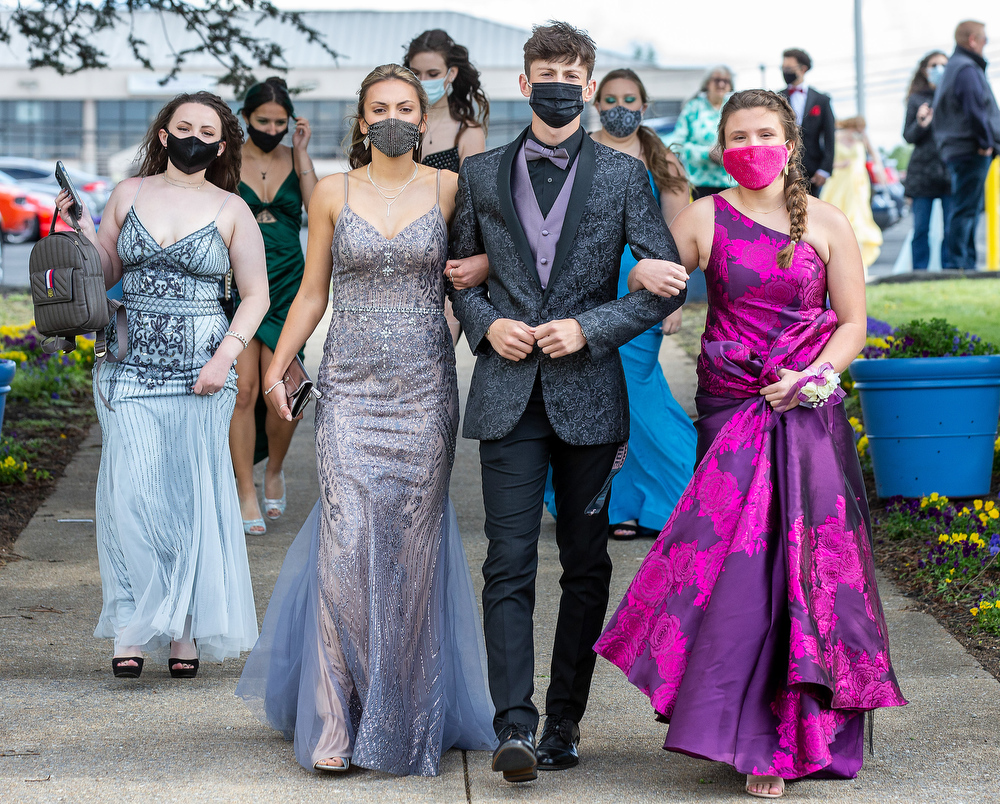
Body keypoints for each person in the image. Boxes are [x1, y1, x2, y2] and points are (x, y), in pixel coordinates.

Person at [595, 89, 906, 799]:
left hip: (807, 411)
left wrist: (817, 377)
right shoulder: (705, 216)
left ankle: (791, 737)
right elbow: (657, 293)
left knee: (804, 570)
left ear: (790, 143)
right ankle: (744, 730)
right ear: (721, 148)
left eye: (764, 133)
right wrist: (644, 271)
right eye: (738, 136)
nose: (751, 145)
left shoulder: (827, 222)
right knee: (736, 576)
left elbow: (853, 322)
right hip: (732, 406)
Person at [236, 64, 495, 777]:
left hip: (422, 390)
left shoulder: (451, 188)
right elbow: (312, 292)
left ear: (423, 117)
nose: (392, 117)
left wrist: (444, 325)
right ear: (359, 121)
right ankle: (334, 716)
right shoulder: (330, 191)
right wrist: (280, 368)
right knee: (346, 544)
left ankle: (402, 713)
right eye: (378, 107)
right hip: (349, 388)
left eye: (405, 107)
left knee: (411, 549)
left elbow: (471, 276)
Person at [448, 22, 687, 784]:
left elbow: (662, 279)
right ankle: (512, 724)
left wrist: (587, 327)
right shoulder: (481, 174)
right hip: (507, 397)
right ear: (524, 84)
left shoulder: (623, 178)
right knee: (508, 562)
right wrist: (492, 327)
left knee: (585, 565)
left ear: (587, 86)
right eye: (544, 71)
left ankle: (564, 721)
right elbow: (459, 277)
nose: (558, 83)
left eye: (570, 73)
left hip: (589, 395)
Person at [54, 91, 269, 679]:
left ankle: (182, 630)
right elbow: (104, 273)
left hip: (204, 371)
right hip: (128, 366)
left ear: (221, 145)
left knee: (190, 500)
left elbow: (255, 296)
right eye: (184, 126)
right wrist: (78, 229)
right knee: (133, 497)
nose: (194, 136)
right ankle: (131, 622)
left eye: (207, 130)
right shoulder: (129, 194)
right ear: (164, 133)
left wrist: (226, 358)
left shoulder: (232, 208)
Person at [586, 67, 697, 539]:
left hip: (641, 292)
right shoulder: (579, 150)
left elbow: (679, 236)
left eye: (629, 100)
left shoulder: (661, 158)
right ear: (596, 103)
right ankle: (616, 505)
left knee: (636, 393)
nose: (620, 108)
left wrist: (671, 300)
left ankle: (685, 493)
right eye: (610, 99)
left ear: (644, 105)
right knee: (592, 397)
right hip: (585, 290)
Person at [230, 77, 318, 536]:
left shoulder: (292, 157)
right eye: (263, 120)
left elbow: (320, 208)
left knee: (287, 390)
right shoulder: (226, 160)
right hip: (241, 283)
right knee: (243, 390)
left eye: (280, 122)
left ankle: (274, 469)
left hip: (288, 282)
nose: (271, 127)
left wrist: (301, 154)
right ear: (246, 118)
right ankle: (245, 487)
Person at [404, 29, 490, 344]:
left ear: (451, 74)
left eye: (433, 73)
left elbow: (474, 207)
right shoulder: (398, 124)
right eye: (416, 72)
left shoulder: (467, 132)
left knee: (436, 360)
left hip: (446, 262)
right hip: (399, 253)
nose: (423, 79)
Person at [933, 20, 1000, 271]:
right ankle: (958, 266)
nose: (985, 44)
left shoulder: (956, 67)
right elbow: (976, 109)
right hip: (971, 149)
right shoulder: (966, 68)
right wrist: (985, 143)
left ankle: (964, 265)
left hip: (959, 149)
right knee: (965, 211)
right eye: (985, 39)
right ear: (973, 40)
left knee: (965, 210)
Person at [903, 51, 952, 271]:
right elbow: (908, 136)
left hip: (950, 172)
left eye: (943, 65)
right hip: (922, 174)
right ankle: (919, 273)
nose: (939, 69)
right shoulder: (916, 99)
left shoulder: (955, 95)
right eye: (934, 65)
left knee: (951, 227)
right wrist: (921, 123)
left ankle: (949, 270)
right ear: (925, 69)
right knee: (921, 229)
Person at [820, 117, 883, 273]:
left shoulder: (862, 139)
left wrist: (879, 170)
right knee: (837, 215)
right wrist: (839, 165)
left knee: (858, 218)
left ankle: (858, 263)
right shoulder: (836, 137)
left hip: (857, 186)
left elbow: (875, 155)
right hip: (839, 184)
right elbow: (825, 160)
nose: (860, 132)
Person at [668, 65, 735, 198]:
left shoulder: (734, 106)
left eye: (726, 81)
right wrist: (706, 153)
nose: (721, 84)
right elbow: (677, 145)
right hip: (701, 184)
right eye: (716, 80)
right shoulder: (693, 107)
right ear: (707, 83)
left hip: (733, 184)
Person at [780, 48, 836, 198]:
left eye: (789, 68)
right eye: (783, 68)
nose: (785, 72)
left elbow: (830, 136)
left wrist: (825, 169)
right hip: (782, 168)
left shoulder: (821, 100)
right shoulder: (777, 97)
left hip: (812, 169)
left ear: (803, 69)